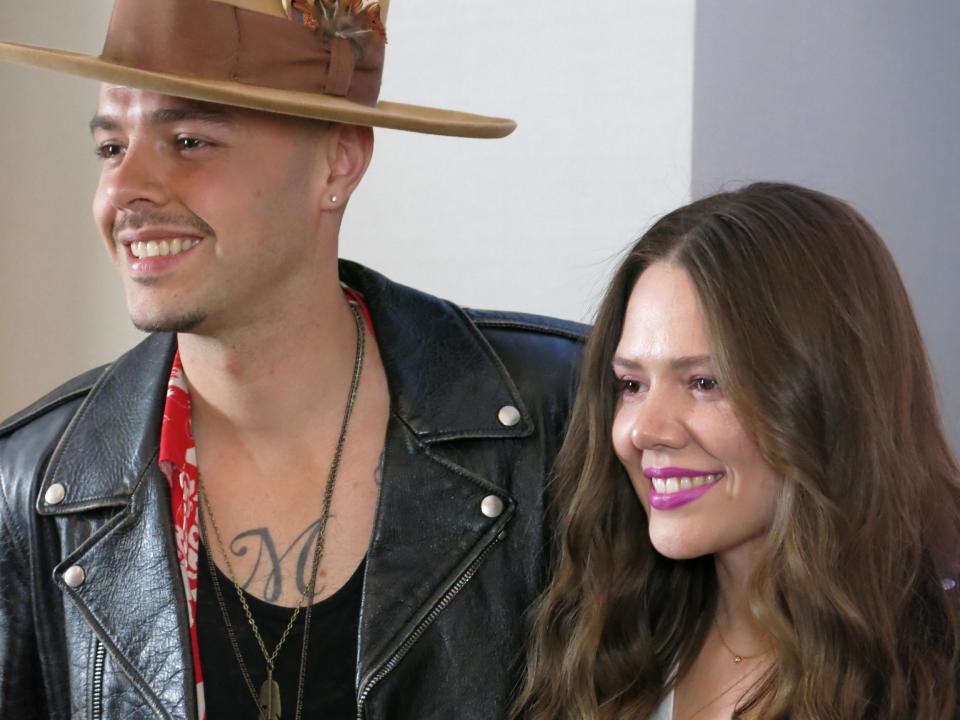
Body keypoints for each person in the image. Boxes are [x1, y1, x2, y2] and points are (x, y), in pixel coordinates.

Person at [0, 1, 584, 718]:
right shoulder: (32, 490)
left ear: (337, 161)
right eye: (112, 148)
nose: (123, 191)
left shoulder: (562, 418)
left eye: (188, 140)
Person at [515, 182, 960, 719]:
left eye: (704, 382)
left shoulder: (935, 673)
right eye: (632, 385)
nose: (645, 431)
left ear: (831, 397)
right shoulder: (608, 637)